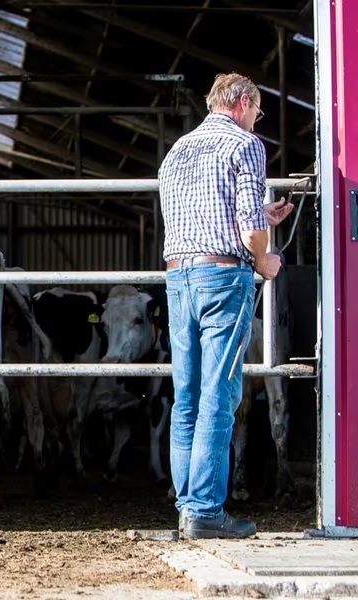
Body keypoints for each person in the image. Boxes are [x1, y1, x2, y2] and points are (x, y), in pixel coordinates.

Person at [158, 73, 294, 539]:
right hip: (222, 276)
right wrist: (265, 259)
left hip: (179, 276)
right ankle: (206, 511)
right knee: (220, 394)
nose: (257, 121)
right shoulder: (244, 144)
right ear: (243, 102)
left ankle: (186, 508)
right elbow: (250, 233)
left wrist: (260, 212)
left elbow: (203, 214)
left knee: (187, 396)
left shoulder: (177, 151)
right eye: (257, 112)